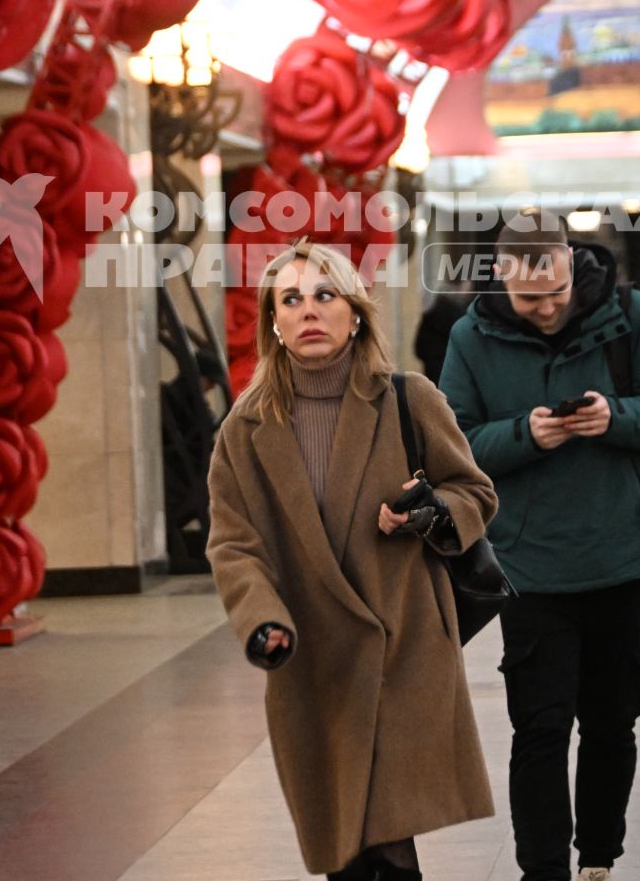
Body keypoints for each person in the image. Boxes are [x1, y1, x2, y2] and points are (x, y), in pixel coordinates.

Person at [206, 242, 499, 881]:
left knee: (389, 843)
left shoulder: (406, 399)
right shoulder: (246, 427)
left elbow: (473, 491)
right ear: (273, 323)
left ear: (355, 313)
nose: (309, 311)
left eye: (325, 295)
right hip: (311, 655)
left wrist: (426, 512)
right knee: (344, 846)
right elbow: (234, 543)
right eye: (291, 299)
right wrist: (261, 620)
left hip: (403, 645)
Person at [438, 212, 640, 881]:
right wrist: (525, 434)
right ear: (502, 277)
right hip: (528, 567)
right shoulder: (471, 336)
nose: (549, 310)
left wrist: (615, 417)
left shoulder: (631, 315)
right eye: (531, 300)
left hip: (621, 555)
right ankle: (544, 869)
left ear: (572, 267)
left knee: (612, 722)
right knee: (541, 727)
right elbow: (452, 446)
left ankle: (600, 858)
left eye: (558, 294)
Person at [413, 279, 474, 386]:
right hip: (453, 376)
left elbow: (419, 348)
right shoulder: (461, 317)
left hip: (432, 376)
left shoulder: (431, 315)